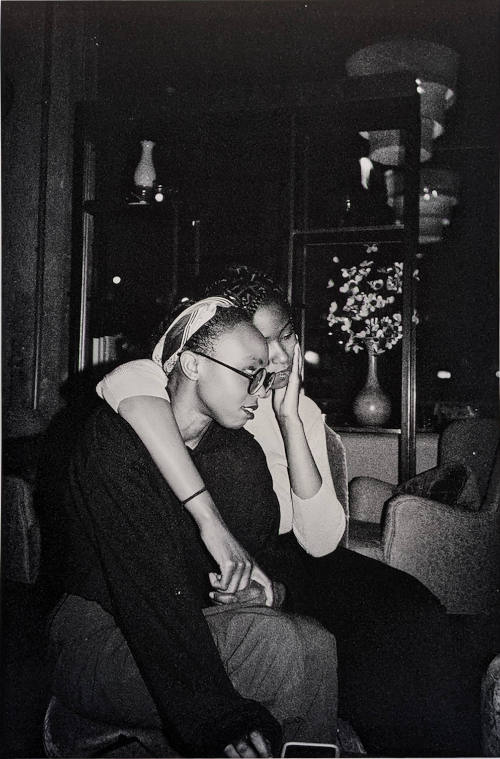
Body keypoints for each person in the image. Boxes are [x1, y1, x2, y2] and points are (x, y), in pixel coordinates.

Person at [97, 265, 499, 757]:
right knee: (354, 644)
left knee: (408, 606)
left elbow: (321, 540)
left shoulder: (299, 409)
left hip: (294, 554)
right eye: (267, 341)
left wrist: (289, 418)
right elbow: (126, 386)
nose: (284, 354)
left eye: (288, 335)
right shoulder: (171, 384)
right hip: (227, 555)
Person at [48, 298, 339, 758]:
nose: (260, 391)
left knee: (317, 644)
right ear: (193, 365)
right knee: (278, 647)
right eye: (249, 372)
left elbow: (274, 566)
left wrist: (264, 595)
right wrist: (219, 718)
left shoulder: (239, 455)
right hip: (97, 640)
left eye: (265, 376)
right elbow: (149, 593)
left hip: (190, 627)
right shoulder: (114, 444)